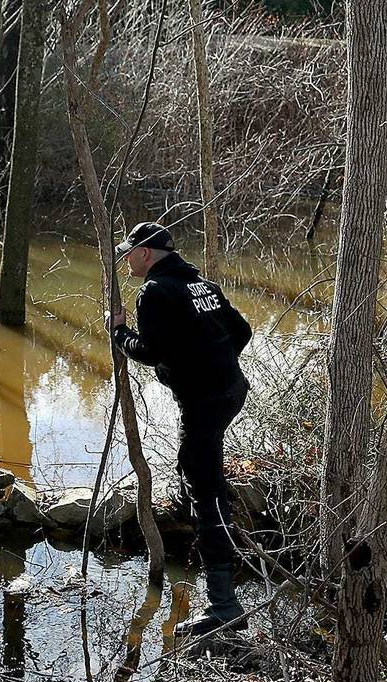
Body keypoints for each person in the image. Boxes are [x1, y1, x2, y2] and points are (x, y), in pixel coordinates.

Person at [108, 221, 253, 636]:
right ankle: (203, 526)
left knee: (206, 491)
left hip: (205, 401)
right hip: (230, 392)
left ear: (146, 254)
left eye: (129, 252)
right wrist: (210, 361)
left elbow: (151, 352)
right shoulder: (201, 284)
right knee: (194, 466)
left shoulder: (155, 291)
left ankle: (224, 606)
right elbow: (241, 331)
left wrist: (119, 333)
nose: (126, 259)